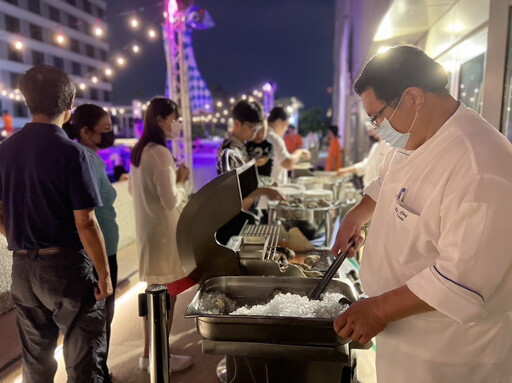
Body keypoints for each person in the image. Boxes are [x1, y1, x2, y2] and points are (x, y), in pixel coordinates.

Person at [331, 45, 512, 382]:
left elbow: (461, 278)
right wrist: (358, 215)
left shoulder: (480, 165)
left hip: (449, 356)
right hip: (405, 338)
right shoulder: (415, 137)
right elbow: (387, 181)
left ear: (413, 98)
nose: (376, 127)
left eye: (378, 116)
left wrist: (378, 309)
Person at [0, 65, 112, 382]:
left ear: (26, 100)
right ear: (70, 103)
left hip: (23, 269)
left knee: (35, 362)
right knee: (82, 361)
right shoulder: (72, 153)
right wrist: (103, 274)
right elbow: (86, 223)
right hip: (66, 269)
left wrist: (25, 239)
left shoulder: (4, 150)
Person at [129, 97, 194, 373]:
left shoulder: (139, 151)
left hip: (148, 234)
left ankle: (149, 353)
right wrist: (181, 179)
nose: (177, 124)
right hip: (165, 236)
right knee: (168, 295)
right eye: (174, 118)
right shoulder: (161, 153)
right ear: (160, 120)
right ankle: (160, 355)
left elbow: (134, 192)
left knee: (153, 295)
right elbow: (170, 200)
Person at [63, 104, 119, 382]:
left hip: (106, 248)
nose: (111, 135)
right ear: (86, 131)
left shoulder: (93, 156)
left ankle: (101, 372)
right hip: (100, 252)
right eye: (106, 130)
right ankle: (100, 375)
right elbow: (86, 218)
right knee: (98, 323)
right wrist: (103, 270)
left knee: (102, 321)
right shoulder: (83, 158)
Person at [216, 100, 283, 212]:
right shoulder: (230, 150)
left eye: (257, 127)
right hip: (236, 218)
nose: (256, 132)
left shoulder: (242, 144)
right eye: (252, 127)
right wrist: (266, 191)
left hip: (246, 213)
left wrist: (267, 185)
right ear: (237, 124)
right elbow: (234, 189)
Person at [266, 106, 310, 185]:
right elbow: (288, 163)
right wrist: (299, 152)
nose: (286, 129)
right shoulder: (275, 139)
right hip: (272, 191)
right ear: (279, 122)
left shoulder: (264, 135)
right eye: (286, 125)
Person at [337, 124, 391, 188]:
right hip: (369, 186)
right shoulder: (375, 146)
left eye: (371, 131)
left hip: (378, 188)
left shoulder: (388, 146)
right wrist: (345, 170)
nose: (370, 134)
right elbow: (366, 164)